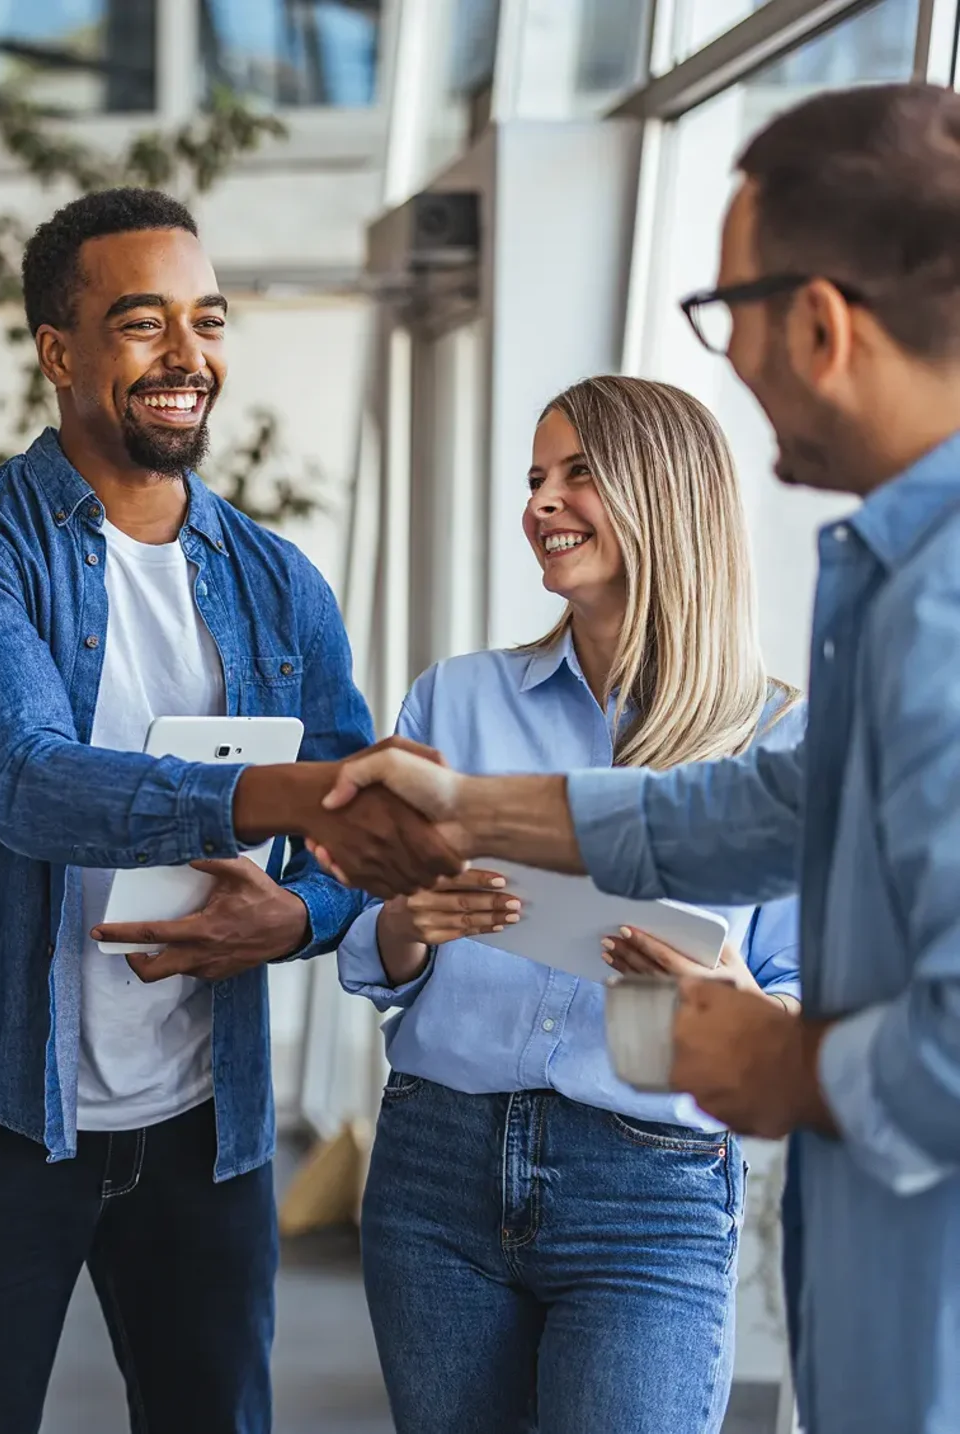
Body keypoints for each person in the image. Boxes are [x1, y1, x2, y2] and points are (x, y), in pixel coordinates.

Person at [316, 83, 960, 1434]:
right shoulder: (888, 579)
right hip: (471, 1167)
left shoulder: (934, 609)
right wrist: (466, 808)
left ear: (821, 323)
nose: (729, 359)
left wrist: (785, 1058)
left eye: (725, 310)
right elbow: (758, 810)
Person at [0, 186, 459, 1434]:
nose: (187, 355)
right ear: (59, 352)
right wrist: (272, 792)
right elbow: (27, 780)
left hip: (206, 1119)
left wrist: (297, 918)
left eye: (208, 320)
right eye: (143, 323)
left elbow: (344, 844)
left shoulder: (277, 583)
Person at [338, 375, 802, 1434]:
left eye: (578, 474)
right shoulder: (454, 699)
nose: (541, 502)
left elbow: (804, 994)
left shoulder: (777, 738)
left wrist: (735, 1000)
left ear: (665, 495)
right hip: (437, 1168)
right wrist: (412, 923)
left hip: (650, 1192)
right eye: (535, 477)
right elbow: (371, 945)